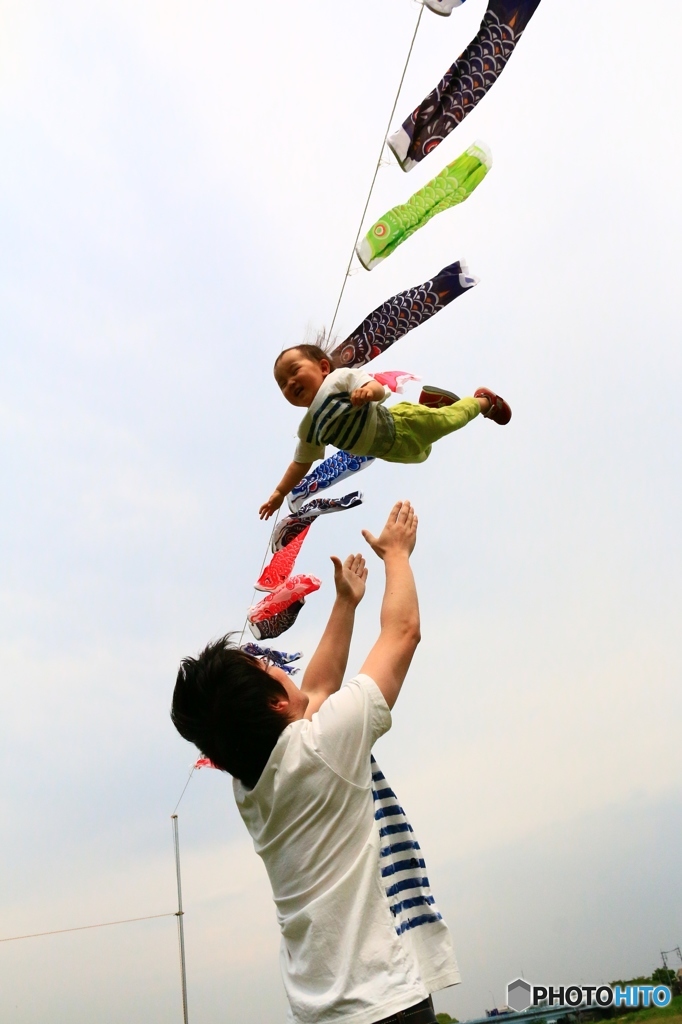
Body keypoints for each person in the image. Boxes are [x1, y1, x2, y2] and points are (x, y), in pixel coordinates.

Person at [171, 501, 460, 1024]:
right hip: (385, 1004)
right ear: (275, 703)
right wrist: (397, 554)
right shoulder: (325, 747)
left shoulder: (252, 790)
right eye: (267, 666)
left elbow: (317, 689)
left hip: (319, 1013)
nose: (277, 667)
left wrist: (345, 604)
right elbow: (402, 634)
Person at [259, 344, 510, 520]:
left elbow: (376, 387)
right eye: (282, 383)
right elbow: (300, 463)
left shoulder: (338, 380)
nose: (290, 382)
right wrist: (281, 492)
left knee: (449, 422)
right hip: (388, 450)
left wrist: (369, 392)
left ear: (323, 366)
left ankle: (483, 402)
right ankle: (430, 406)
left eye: (294, 371)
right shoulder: (309, 426)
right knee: (423, 453)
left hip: (401, 424)